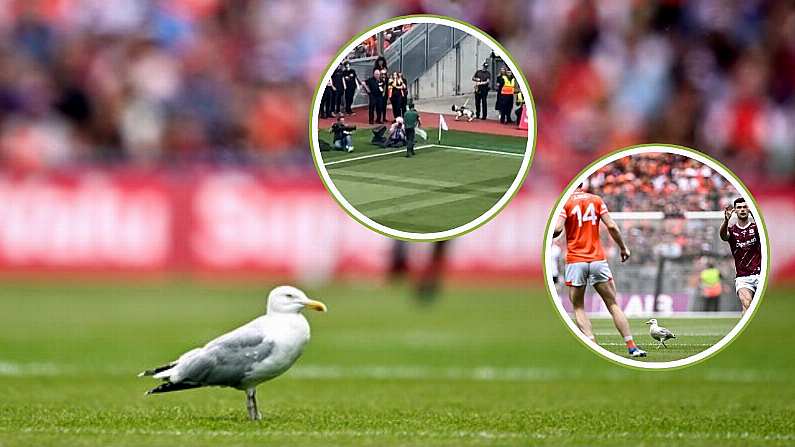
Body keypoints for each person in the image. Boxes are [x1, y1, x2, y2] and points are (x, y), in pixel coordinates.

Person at [553, 185, 647, 358]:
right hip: (597, 259)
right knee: (613, 304)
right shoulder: (596, 200)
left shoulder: (565, 202)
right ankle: (632, 346)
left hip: (576, 261)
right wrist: (623, 247)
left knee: (579, 306)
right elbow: (611, 226)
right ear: (583, 185)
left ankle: (592, 344)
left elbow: (557, 229)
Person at [719, 197, 762, 313]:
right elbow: (723, 236)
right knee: (747, 303)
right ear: (735, 210)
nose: (742, 210)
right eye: (739, 207)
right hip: (743, 277)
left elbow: (766, 229)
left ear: (749, 209)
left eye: (745, 207)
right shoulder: (732, 231)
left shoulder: (757, 228)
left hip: (761, 275)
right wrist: (726, 220)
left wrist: (755, 214)